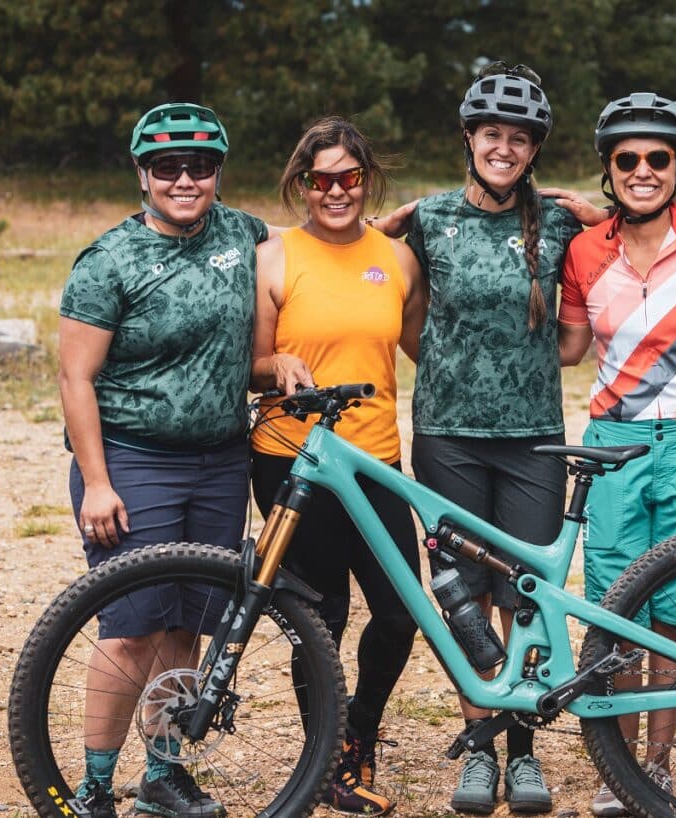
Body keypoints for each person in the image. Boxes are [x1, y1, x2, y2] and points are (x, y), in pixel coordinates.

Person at [59, 103, 267, 818]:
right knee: (129, 628)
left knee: (185, 626)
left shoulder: (245, 233)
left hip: (219, 460)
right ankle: (92, 785)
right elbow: (74, 378)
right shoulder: (108, 260)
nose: (185, 179)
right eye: (168, 167)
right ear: (143, 173)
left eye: (200, 166)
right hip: (133, 461)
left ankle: (164, 773)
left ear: (219, 171)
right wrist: (95, 481)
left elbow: (327, 241)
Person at [403, 62, 581, 815]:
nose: (502, 148)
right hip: (448, 437)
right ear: (468, 138)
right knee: (462, 595)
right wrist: (451, 371)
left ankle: (524, 749)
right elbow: (407, 316)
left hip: (534, 438)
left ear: (533, 149)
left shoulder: (563, 222)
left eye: (518, 139)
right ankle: (478, 747)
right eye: (490, 134)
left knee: (526, 595)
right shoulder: (429, 218)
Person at [556, 93, 676, 818]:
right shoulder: (583, 250)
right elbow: (567, 347)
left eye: (657, 158)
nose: (642, 170)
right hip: (612, 446)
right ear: (608, 168)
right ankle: (617, 765)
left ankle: (656, 766)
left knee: (672, 608)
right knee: (610, 605)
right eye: (626, 158)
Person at [248, 116, 426, 817]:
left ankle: (359, 732)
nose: (335, 191)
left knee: (399, 613)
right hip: (293, 462)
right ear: (301, 183)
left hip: (376, 459)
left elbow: (423, 351)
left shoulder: (398, 259)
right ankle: (323, 754)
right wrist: (276, 365)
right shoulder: (275, 256)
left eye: (349, 178)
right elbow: (255, 367)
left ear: (367, 179)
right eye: (320, 180)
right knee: (321, 616)